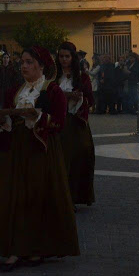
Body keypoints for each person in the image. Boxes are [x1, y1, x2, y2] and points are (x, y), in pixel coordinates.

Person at [0, 46, 79, 271]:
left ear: (42, 66)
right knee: (11, 196)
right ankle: (13, 249)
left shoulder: (52, 91)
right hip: (15, 151)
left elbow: (59, 122)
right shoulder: (16, 90)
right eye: (22, 62)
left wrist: (39, 117)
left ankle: (35, 248)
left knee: (35, 197)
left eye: (29, 62)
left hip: (40, 150)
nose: (24, 66)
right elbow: (10, 121)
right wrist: (0, 120)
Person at [56, 42, 95, 209]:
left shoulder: (82, 77)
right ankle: (60, 198)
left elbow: (91, 100)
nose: (64, 60)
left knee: (80, 157)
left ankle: (75, 196)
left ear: (73, 58)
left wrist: (79, 99)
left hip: (77, 122)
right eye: (61, 56)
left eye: (67, 56)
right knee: (61, 160)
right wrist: (63, 96)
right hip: (59, 122)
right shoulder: (53, 75)